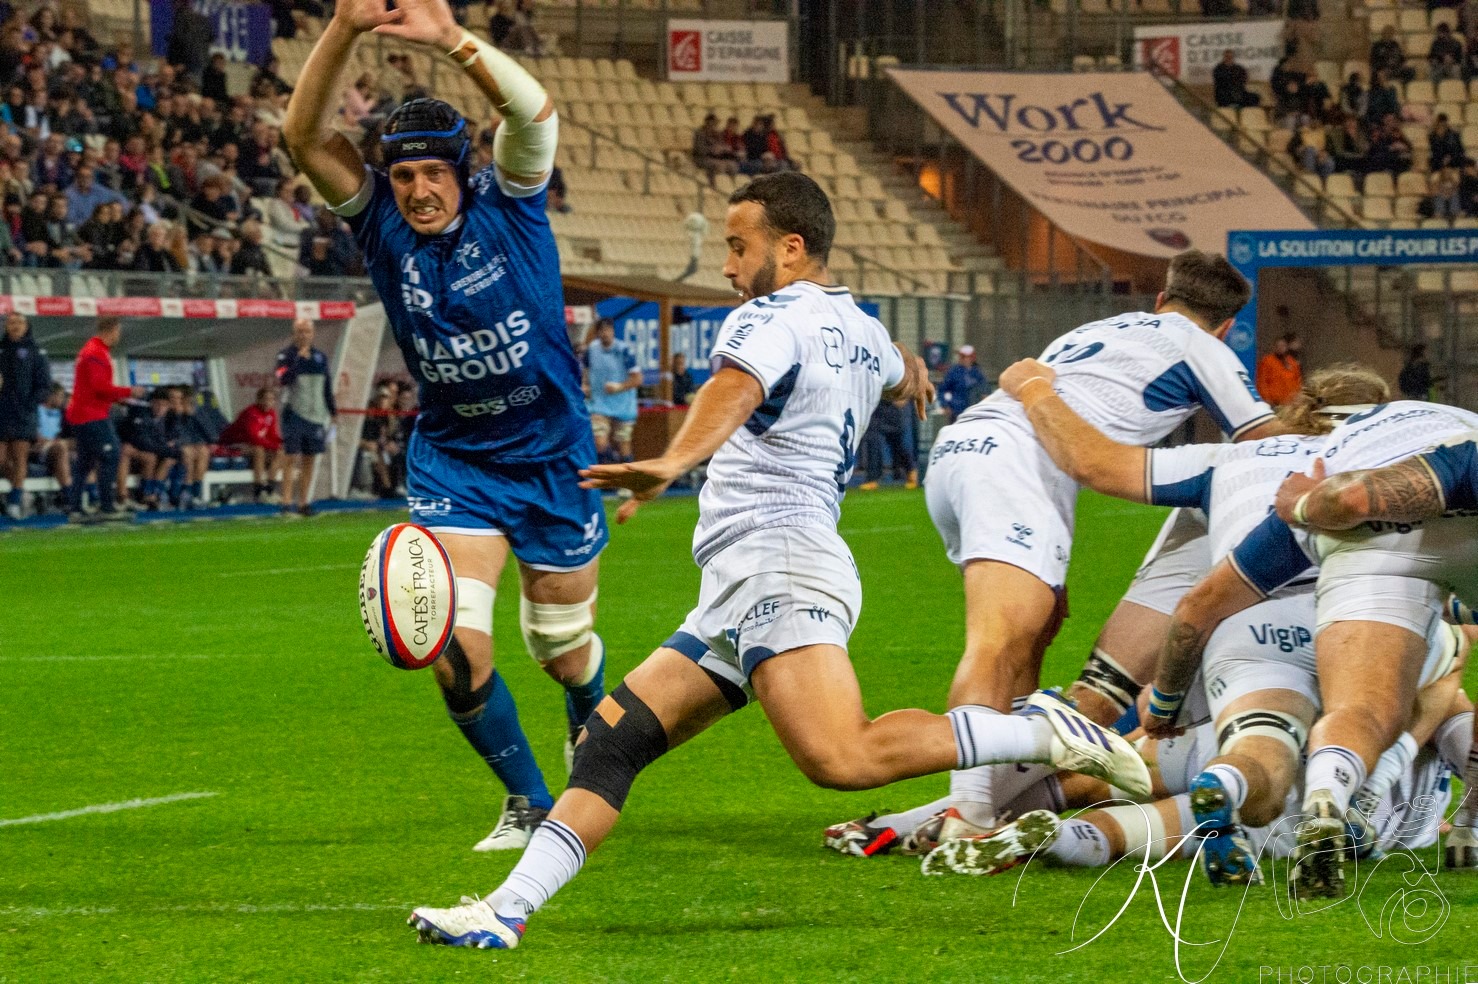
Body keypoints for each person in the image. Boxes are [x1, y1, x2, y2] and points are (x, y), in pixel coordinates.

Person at [407, 170, 1151, 951]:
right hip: (745, 580)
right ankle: (505, 911)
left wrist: (673, 461)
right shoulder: (859, 325)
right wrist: (914, 376)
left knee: (842, 756)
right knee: (610, 740)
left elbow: (735, 388)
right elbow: (899, 365)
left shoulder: (769, 317)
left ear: (791, 250)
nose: (729, 267)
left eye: (739, 247)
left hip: (781, 562)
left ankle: (1040, 731)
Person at [285, 0, 614, 851]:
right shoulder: (382, 228)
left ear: (461, 172)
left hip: (552, 457)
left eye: (434, 173)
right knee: (457, 653)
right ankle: (533, 804)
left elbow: (534, 113)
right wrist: (347, 27)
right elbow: (301, 138)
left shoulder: (510, 204)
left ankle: (596, 740)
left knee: (562, 646)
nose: (420, 190)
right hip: (456, 464)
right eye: (404, 177)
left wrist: (452, 42)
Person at [878, 251, 1284, 849]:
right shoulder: (1204, 349)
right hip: (1018, 462)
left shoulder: (1094, 330)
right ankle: (966, 817)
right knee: (997, 641)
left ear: (1161, 298)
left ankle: (985, 802)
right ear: (1226, 325)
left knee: (1035, 633)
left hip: (964, 447)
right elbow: (1265, 444)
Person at [980, 358, 1388, 884]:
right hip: (1356, 623)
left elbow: (1095, 463)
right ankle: (1349, 803)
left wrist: (1033, 389)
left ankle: (958, 815)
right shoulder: (1397, 461)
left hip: (1246, 629)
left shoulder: (1231, 458)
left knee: (1231, 754)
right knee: (1423, 690)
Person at [65, 316, 145, 518]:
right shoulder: (95, 352)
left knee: (85, 461)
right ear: (112, 330)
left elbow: (92, 388)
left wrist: (116, 399)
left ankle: (74, 507)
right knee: (111, 454)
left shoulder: (92, 350)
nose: (119, 335)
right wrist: (129, 391)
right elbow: (99, 387)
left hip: (84, 413)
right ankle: (106, 506)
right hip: (91, 415)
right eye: (118, 331)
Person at [274, 317, 335, 517]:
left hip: (316, 413)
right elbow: (283, 379)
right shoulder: (285, 355)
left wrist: (332, 410)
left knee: (310, 458)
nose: (304, 335)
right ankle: (285, 502)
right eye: (300, 331)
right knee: (291, 456)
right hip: (294, 412)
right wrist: (299, 360)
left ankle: (303, 502)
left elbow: (326, 385)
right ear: (294, 333)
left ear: (313, 333)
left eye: (307, 331)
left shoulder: (320, 357)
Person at [0, 312, 50, 519]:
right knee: (2, 460)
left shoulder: (36, 352)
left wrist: (28, 404)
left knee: (20, 458)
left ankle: (14, 501)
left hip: (24, 414)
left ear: (27, 326)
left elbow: (44, 386)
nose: (15, 326)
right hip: (2, 412)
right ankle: (22, 492)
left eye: (19, 322)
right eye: (11, 323)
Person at [584, 318, 640, 464]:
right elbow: (585, 370)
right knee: (599, 443)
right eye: (601, 330)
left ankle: (627, 484)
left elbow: (638, 379)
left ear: (613, 331)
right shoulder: (591, 350)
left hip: (624, 405)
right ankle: (607, 474)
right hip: (599, 404)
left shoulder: (624, 351)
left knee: (624, 445)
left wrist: (619, 387)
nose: (605, 333)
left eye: (608, 330)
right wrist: (585, 385)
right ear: (597, 333)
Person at [219, 386, 282, 502]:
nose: (269, 402)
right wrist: (273, 445)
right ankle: (258, 490)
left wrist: (280, 444)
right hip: (234, 444)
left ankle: (270, 489)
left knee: (281, 452)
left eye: (272, 399)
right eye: (266, 399)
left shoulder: (271, 414)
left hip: (253, 444)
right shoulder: (251, 413)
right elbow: (252, 437)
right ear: (259, 400)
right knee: (259, 450)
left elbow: (271, 434)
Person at [168, 385, 213, 509]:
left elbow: (207, 432)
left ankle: (195, 494)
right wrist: (177, 416)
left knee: (203, 451)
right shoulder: (169, 414)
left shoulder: (191, 413)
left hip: (187, 444)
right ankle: (185, 493)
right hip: (172, 446)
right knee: (188, 453)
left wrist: (193, 415)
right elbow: (172, 434)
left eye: (180, 398)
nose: (177, 401)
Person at [857, 397, 916, 490]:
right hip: (875, 407)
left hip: (893, 406)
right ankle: (872, 479)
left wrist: (904, 397)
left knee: (898, 443)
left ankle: (911, 471)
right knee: (873, 441)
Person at [32, 383, 72, 510]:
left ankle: (94, 496)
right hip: (39, 450)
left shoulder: (64, 414)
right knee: (60, 448)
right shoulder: (36, 410)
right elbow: (36, 436)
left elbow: (71, 436)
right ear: (51, 396)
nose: (62, 400)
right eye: (60, 396)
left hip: (59, 446)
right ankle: (69, 497)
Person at [937, 343, 985, 422]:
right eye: (961, 357)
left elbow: (984, 389)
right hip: (957, 411)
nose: (962, 359)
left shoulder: (977, 372)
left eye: (965, 357)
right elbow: (943, 390)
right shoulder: (953, 372)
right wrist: (945, 405)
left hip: (974, 412)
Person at [1255, 332, 1303, 406]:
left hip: (1290, 404)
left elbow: (1298, 381)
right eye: (1278, 346)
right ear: (1274, 347)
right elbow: (1262, 382)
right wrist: (1266, 399)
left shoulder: (1292, 362)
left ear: (1287, 347)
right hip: (1273, 403)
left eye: (1283, 346)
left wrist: (1298, 397)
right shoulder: (1267, 361)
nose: (1280, 348)